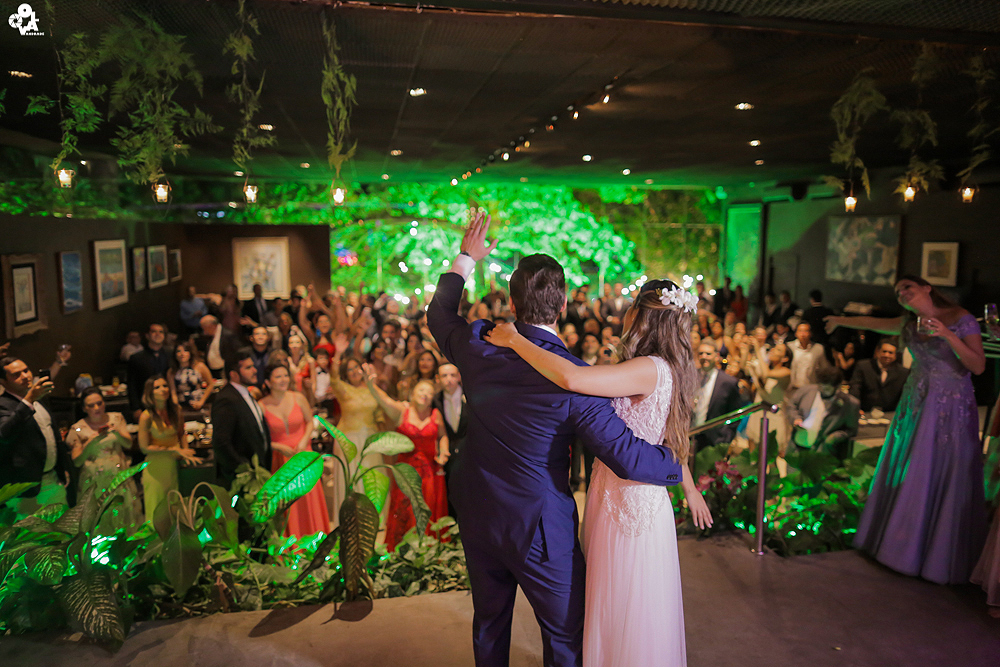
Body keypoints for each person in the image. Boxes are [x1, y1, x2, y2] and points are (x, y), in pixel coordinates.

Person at [427, 212, 685, 667]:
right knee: (565, 637)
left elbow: (439, 314)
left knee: (489, 625)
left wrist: (466, 258)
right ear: (563, 304)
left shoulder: (477, 341)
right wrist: (674, 465)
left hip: (479, 511)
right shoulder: (577, 380)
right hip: (541, 528)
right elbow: (625, 456)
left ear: (512, 301)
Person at [486, 278, 712, 667]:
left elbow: (573, 379)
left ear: (641, 315)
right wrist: (689, 488)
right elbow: (672, 438)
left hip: (627, 506)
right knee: (620, 603)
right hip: (620, 495)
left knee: (624, 604)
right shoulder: (666, 368)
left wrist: (515, 340)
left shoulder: (647, 368)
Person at [827, 274, 987, 584]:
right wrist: (839, 319)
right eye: (898, 291)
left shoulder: (960, 318)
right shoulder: (909, 323)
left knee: (935, 468)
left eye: (907, 287)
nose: (902, 293)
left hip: (948, 406)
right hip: (915, 404)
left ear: (927, 288)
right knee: (907, 467)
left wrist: (947, 334)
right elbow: (873, 323)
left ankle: (931, 555)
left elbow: (978, 365)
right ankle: (895, 545)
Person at [365, 376, 449, 550]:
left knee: (427, 510)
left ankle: (427, 551)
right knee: (405, 510)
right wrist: (370, 385)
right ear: (412, 393)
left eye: (429, 392)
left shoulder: (435, 414)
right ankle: (403, 551)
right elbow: (384, 400)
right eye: (421, 390)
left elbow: (443, 436)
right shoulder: (402, 411)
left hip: (430, 473)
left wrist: (444, 452)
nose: (425, 394)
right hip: (406, 472)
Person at [259, 361, 327, 537]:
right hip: (280, 459)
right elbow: (259, 438)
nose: (283, 379)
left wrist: (304, 440)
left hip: (303, 455)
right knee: (288, 504)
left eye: (285, 375)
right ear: (268, 382)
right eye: (278, 376)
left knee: (309, 500)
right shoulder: (261, 406)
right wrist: (277, 446)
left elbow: (310, 422)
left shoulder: (298, 397)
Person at [0, 356, 72, 517]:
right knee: (30, 533)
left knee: (62, 528)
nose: (25, 376)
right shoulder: (3, 404)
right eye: (16, 375)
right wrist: (28, 400)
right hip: (26, 489)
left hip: (53, 480)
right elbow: (4, 434)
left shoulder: (39, 399)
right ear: (3, 382)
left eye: (26, 370)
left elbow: (53, 438)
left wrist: (62, 468)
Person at [66, 387, 142, 530]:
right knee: (97, 517)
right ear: (84, 408)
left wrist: (117, 433)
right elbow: (77, 461)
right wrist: (90, 443)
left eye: (99, 403)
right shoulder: (78, 428)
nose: (97, 408)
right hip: (94, 479)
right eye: (91, 405)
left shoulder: (116, 419)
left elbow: (128, 444)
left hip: (117, 475)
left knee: (123, 514)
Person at [137, 375, 200, 518]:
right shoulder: (146, 416)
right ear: (150, 393)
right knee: (157, 514)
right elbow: (144, 447)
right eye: (157, 387)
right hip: (156, 467)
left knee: (176, 511)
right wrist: (174, 449)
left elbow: (181, 433)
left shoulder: (176, 410)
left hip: (175, 465)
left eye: (165, 386)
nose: (163, 389)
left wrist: (185, 451)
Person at [211, 348, 272, 487]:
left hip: (258, 474)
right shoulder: (226, 399)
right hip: (240, 480)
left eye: (253, 366)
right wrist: (245, 470)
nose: (254, 370)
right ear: (234, 374)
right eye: (248, 368)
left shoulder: (246, 394)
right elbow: (221, 442)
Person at [785, 366, 860, 461]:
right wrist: (796, 418)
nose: (822, 391)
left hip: (821, 454)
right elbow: (791, 406)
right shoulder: (806, 391)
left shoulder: (849, 403)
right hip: (796, 448)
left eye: (827, 389)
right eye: (820, 387)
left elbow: (851, 430)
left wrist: (834, 437)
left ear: (837, 387)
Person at [691, 340, 748, 453]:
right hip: (690, 436)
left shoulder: (728, 382)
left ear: (716, 356)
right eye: (701, 353)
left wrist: (726, 437)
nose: (704, 356)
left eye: (708, 354)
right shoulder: (690, 377)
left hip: (714, 440)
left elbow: (735, 413)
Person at [433, 363, 467, 520]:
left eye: (453, 375)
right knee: (451, 496)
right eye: (444, 376)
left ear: (459, 376)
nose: (449, 379)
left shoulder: (471, 396)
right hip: (449, 457)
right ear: (438, 379)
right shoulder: (435, 401)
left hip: (471, 455)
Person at [849, 338, 909, 413]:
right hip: (865, 412)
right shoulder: (863, 366)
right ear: (878, 352)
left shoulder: (903, 372)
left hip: (890, 414)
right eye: (884, 351)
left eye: (890, 353)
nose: (887, 355)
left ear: (895, 355)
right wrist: (855, 408)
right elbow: (855, 389)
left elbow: (905, 396)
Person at [127, 323, 171, 420]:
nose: (158, 334)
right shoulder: (136, 358)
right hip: (145, 404)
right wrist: (135, 408)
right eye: (154, 331)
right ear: (147, 336)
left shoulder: (171, 355)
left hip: (168, 404)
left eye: (161, 332)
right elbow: (131, 385)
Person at [168, 340, 213, 411]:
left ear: (190, 353)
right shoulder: (172, 371)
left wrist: (201, 401)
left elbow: (211, 384)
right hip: (181, 405)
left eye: (185, 351)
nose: (182, 354)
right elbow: (173, 392)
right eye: (179, 351)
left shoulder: (200, 366)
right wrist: (176, 405)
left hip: (198, 403)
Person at [198, 315, 241, 379]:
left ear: (211, 326)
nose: (204, 332)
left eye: (204, 328)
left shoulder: (228, 335)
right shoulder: (210, 336)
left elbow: (235, 353)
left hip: (225, 370)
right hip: (213, 371)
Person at [788, 322, 825, 390]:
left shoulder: (818, 348)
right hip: (792, 388)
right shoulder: (789, 347)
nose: (803, 334)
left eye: (806, 331)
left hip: (810, 387)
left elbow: (823, 368)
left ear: (810, 333)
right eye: (800, 331)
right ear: (796, 333)